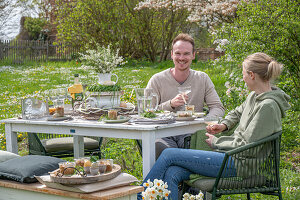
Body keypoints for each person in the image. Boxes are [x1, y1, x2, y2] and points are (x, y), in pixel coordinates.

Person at [139, 52, 290, 200]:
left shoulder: (267, 107)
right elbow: (237, 113)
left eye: (243, 73)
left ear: (251, 75)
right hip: (230, 158)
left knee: (169, 154)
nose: (242, 78)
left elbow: (248, 144)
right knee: (173, 172)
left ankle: (139, 197)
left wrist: (216, 142)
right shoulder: (254, 96)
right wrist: (223, 125)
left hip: (239, 165)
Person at [146, 33, 225, 158]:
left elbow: (217, 107)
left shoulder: (202, 78)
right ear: (171, 54)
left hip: (192, 135)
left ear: (193, 55)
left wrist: (207, 121)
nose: (181, 58)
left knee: (178, 158)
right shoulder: (157, 80)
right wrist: (170, 104)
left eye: (186, 53)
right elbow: (146, 112)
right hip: (163, 135)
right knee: (165, 152)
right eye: (178, 53)